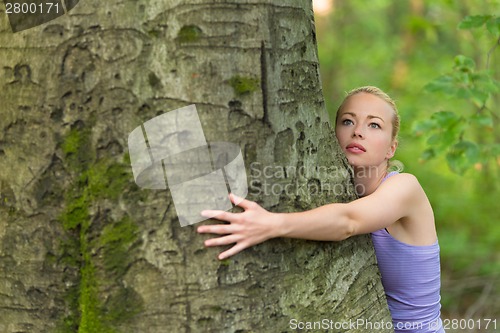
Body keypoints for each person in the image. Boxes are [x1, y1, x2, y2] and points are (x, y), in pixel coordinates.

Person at [197, 86, 444, 333]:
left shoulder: (405, 187)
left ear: (391, 148)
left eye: (374, 125)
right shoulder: (330, 191)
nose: (357, 132)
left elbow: (349, 221)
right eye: (348, 121)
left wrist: (269, 224)